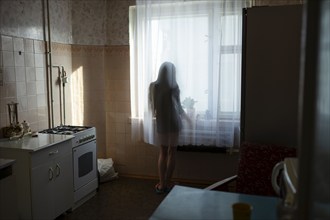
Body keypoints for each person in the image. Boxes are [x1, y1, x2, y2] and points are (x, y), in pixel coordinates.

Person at [149, 62, 190, 194]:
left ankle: (162, 184)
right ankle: (168, 182)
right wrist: (188, 119)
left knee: (163, 152)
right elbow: (178, 108)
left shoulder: (153, 86)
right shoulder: (174, 86)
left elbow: (152, 108)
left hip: (161, 123)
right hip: (174, 123)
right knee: (172, 152)